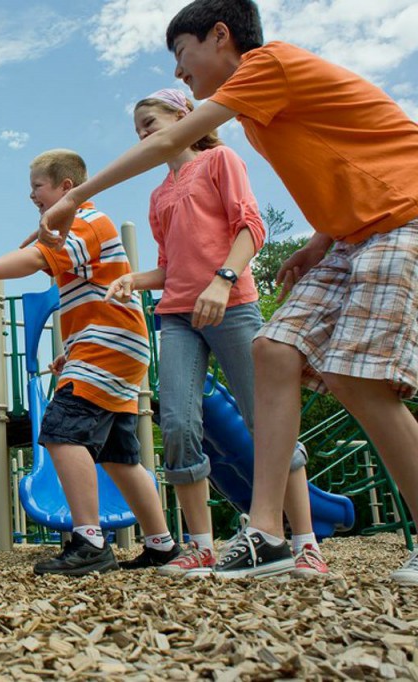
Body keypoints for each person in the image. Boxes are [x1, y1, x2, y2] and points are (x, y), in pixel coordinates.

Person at [36, 0, 418, 582]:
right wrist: (320, 238)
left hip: (403, 217)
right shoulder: (259, 119)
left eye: (181, 54)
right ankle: (266, 534)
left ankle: (297, 532)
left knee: (359, 378)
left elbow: (173, 150)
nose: (179, 72)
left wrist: (72, 197)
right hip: (351, 236)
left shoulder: (270, 65)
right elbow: (345, 166)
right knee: (277, 353)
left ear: (220, 36)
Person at [105, 89, 326, 578]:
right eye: (137, 128)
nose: (143, 132)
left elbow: (251, 226)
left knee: (267, 420)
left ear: (185, 117)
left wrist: (223, 281)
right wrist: (132, 279)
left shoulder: (221, 160)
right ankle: (201, 545)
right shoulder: (158, 193)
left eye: (150, 121)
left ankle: (305, 543)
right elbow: (169, 266)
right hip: (178, 317)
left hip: (233, 305)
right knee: (180, 425)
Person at [0, 149, 179, 576]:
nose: (31, 194)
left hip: (109, 345)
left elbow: (36, 260)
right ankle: (161, 544)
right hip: (117, 344)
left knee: (60, 432)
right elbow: (90, 297)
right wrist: (71, 350)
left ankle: (89, 542)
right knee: (119, 456)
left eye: (38, 186)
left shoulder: (86, 220)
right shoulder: (77, 228)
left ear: (66, 188)